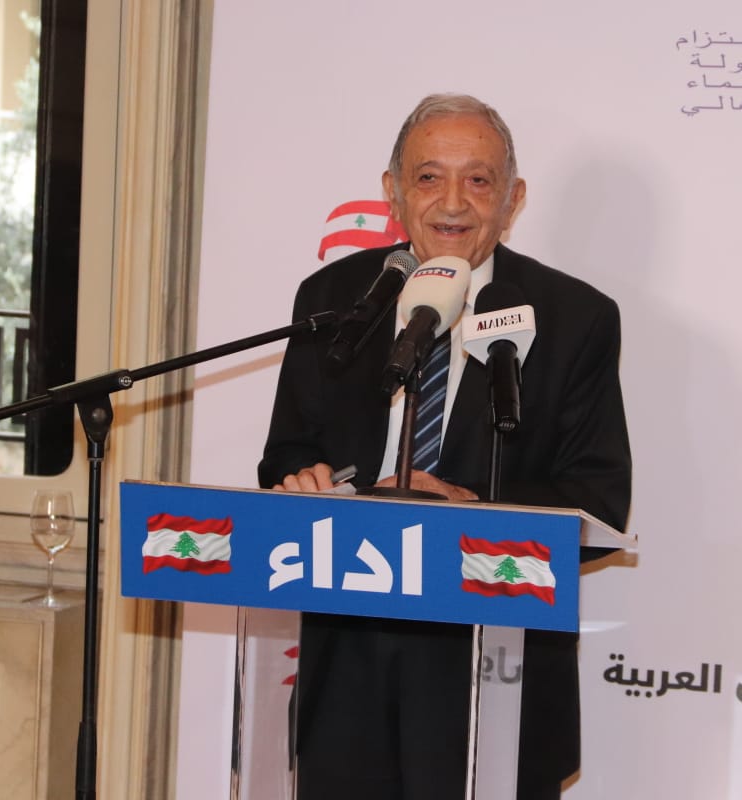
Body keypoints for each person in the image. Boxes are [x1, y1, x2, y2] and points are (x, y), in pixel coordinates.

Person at [259, 93, 631, 800]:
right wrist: (303, 481)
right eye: (429, 177)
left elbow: (598, 502)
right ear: (393, 191)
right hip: (346, 667)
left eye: (479, 180)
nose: (453, 201)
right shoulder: (335, 298)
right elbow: (284, 454)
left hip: (493, 668)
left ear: (513, 198)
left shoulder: (574, 317)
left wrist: (470, 507)